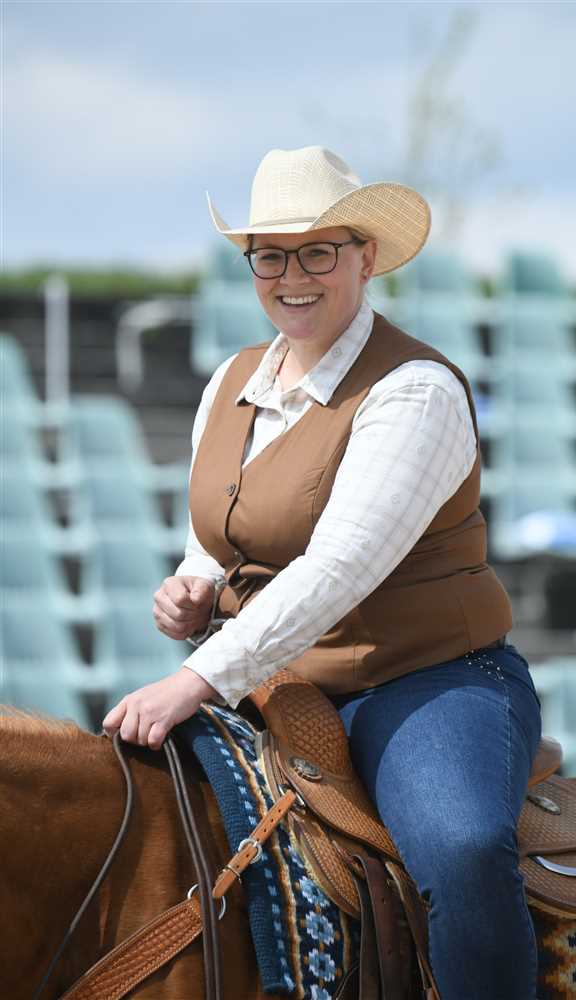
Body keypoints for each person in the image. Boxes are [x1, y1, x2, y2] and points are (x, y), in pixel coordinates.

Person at [103, 145, 543, 999]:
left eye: (317, 252)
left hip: (424, 680)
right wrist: (195, 584)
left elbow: (338, 568)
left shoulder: (416, 390)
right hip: (277, 682)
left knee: (462, 849)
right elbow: (220, 535)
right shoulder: (231, 380)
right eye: (269, 255)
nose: (291, 277)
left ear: (365, 257)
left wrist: (194, 679)